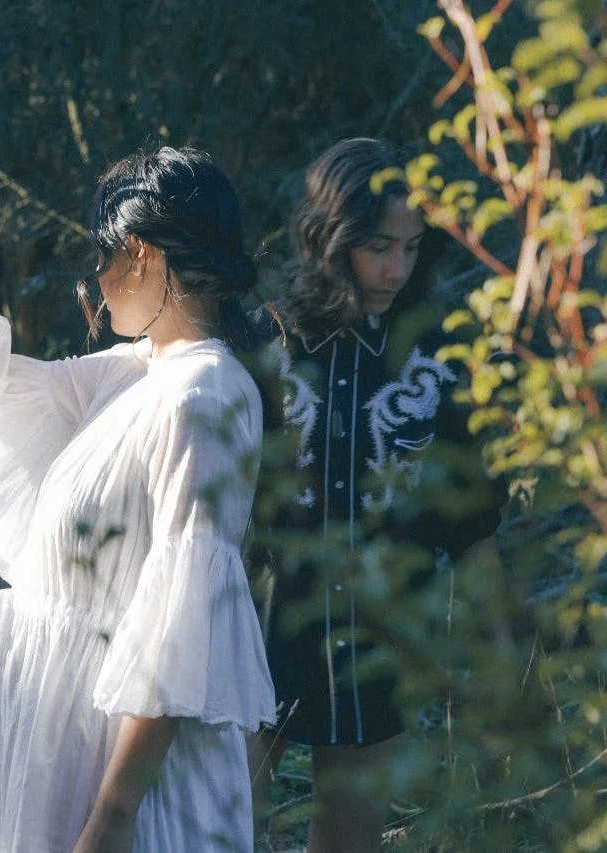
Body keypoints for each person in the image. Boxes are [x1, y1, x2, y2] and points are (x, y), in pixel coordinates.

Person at [0, 123, 277, 852]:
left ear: (142, 254)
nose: (98, 277)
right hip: (64, 738)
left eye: (103, 256)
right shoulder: (135, 371)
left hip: (125, 773)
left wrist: (113, 816)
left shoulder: (205, 394)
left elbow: (188, 621)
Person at [244, 138, 502, 852]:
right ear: (331, 236)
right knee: (220, 832)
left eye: (413, 248)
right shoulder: (265, 341)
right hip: (256, 635)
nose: (397, 269)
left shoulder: (436, 354)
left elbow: (473, 524)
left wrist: (499, 663)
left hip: (377, 650)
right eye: (379, 246)